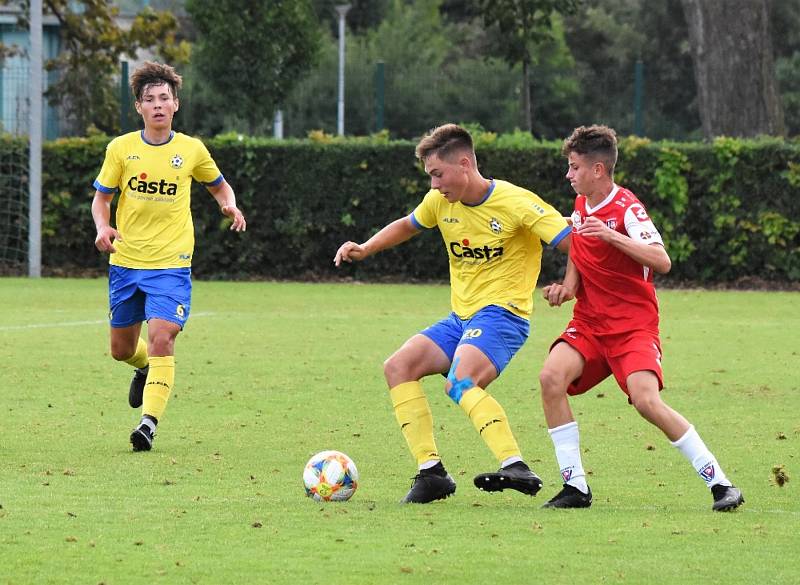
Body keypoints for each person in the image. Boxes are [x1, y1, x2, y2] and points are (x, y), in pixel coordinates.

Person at [334, 123, 571, 503]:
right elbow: (408, 225)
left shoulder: (516, 202)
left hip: (503, 316)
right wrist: (365, 247)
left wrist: (570, 285)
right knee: (398, 367)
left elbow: (573, 243)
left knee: (458, 382)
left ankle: (514, 463)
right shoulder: (440, 202)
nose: (433, 185)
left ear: (464, 164)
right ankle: (431, 474)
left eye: (437, 174)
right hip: (461, 318)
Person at [538, 124, 744, 512]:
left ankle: (720, 483)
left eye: (574, 167)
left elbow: (662, 261)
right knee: (551, 378)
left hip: (632, 326)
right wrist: (567, 287)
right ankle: (575, 487)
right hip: (590, 322)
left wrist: (613, 236)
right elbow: (579, 250)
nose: (568, 175)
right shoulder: (581, 205)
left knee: (646, 401)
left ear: (598, 170)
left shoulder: (627, 208)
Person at [91, 61, 246, 452]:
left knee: (162, 337)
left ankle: (148, 423)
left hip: (172, 263)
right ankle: (142, 366)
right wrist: (102, 227)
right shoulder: (121, 149)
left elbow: (220, 187)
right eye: (149, 99)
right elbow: (102, 199)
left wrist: (230, 206)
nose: (158, 105)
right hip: (126, 262)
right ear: (139, 108)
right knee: (121, 350)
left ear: (176, 104)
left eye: (164, 98)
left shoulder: (191, 149)